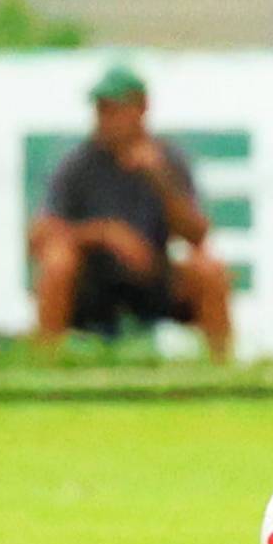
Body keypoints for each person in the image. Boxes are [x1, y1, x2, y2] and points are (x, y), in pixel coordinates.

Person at [29, 66, 233, 362]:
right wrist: (105, 234)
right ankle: (43, 363)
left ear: (140, 109)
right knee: (57, 263)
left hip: (152, 277)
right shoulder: (78, 165)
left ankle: (222, 369)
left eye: (114, 110)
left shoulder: (167, 161)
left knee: (210, 271)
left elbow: (197, 235)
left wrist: (160, 181)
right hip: (93, 281)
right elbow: (41, 234)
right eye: (101, 110)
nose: (105, 119)